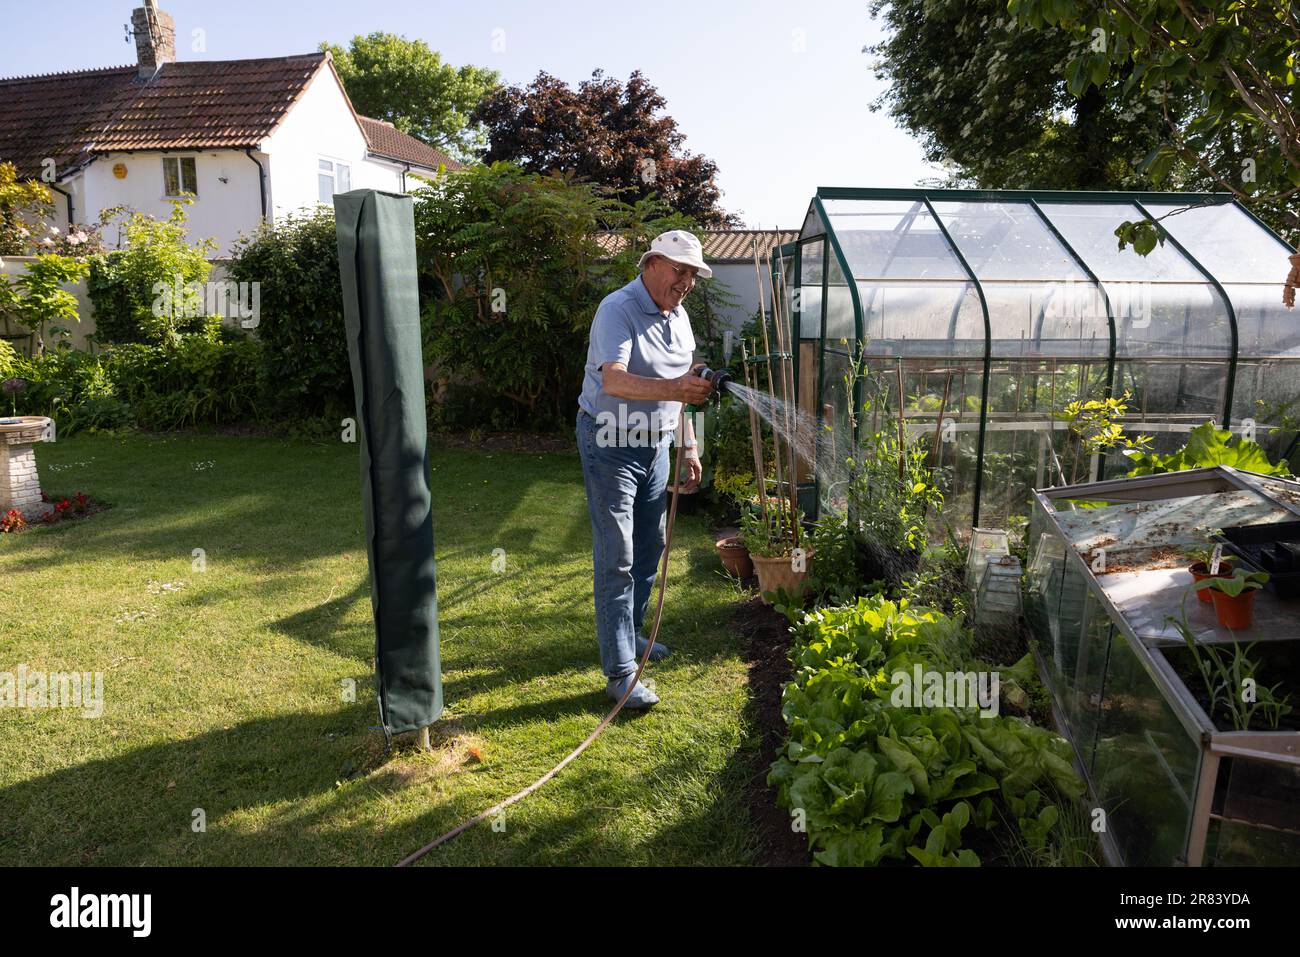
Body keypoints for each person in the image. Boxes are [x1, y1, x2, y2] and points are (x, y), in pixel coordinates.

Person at [575, 230, 715, 709]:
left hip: (655, 445)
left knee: (650, 545)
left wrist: (689, 447)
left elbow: (689, 384)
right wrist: (676, 390)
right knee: (618, 555)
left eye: (693, 274)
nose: (687, 281)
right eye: (680, 270)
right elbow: (612, 380)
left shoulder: (680, 316)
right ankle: (619, 673)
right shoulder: (618, 309)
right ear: (652, 262)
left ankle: (630, 634)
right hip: (610, 443)